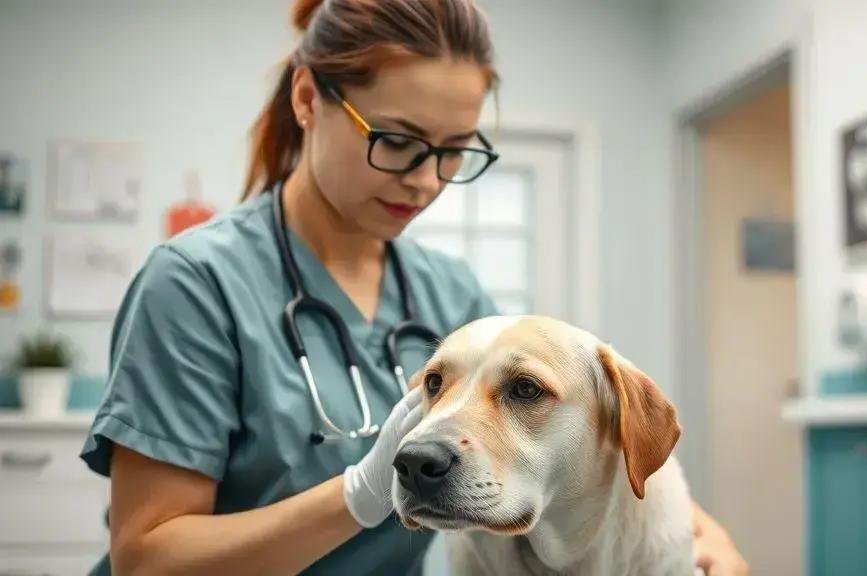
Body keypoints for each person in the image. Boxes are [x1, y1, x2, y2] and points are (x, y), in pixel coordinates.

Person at [79, 0, 748, 574]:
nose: (426, 181)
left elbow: (575, 440)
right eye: (398, 141)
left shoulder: (447, 292)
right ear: (309, 99)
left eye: (455, 149)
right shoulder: (197, 284)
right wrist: (356, 496)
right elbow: (147, 558)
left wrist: (701, 532)